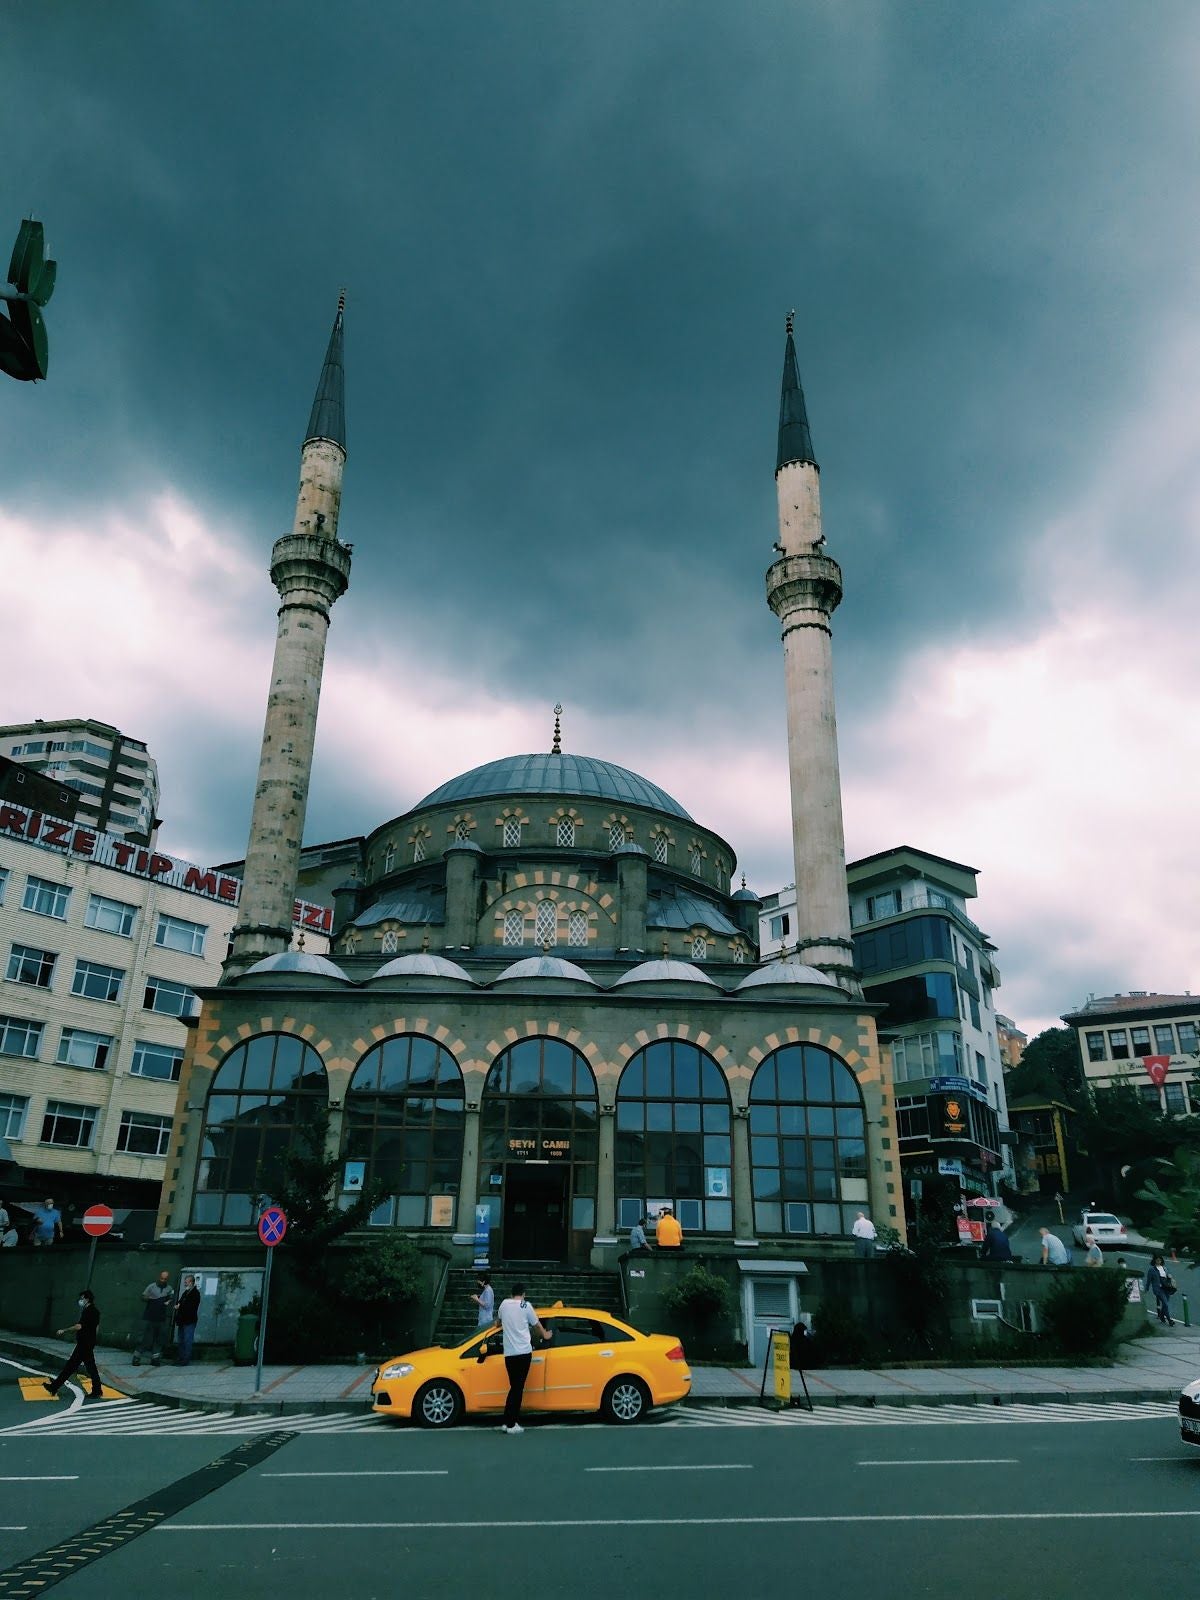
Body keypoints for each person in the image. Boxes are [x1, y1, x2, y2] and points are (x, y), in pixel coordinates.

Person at [497, 1282, 552, 1434]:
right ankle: (511, 1424)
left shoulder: (504, 1304)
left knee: (514, 1387)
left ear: (511, 1293)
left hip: (509, 1354)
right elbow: (537, 1325)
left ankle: (507, 1421)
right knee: (517, 1388)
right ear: (524, 1294)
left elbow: (498, 1322)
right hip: (523, 1353)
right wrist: (546, 1335)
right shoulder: (526, 1306)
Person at [43, 1288, 104, 1400]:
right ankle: (97, 1390)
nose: (80, 1301)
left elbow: (79, 1326)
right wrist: (94, 1340)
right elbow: (97, 1328)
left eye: (81, 1298)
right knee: (88, 1368)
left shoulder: (88, 1311)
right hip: (88, 1343)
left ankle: (54, 1387)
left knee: (71, 1366)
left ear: (87, 1299)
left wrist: (64, 1330)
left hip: (84, 1344)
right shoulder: (95, 1311)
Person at [133, 1270, 175, 1365]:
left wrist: (169, 1301)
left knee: (159, 1339)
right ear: (158, 1277)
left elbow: (171, 1297)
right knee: (145, 1338)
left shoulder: (169, 1288)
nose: (163, 1280)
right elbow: (143, 1296)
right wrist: (150, 1298)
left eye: (165, 1279)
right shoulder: (151, 1286)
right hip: (149, 1316)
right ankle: (136, 1357)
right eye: (161, 1278)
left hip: (161, 1317)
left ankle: (155, 1358)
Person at [174, 1274, 201, 1365]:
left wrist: (180, 1306)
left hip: (189, 1320)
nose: (185, 1284)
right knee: (181, 1340)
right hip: (182, 1320)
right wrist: (179, 1304)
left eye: (186, 1282)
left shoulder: (195, 1294)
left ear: (191, 1282)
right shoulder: (186, 1293)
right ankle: (181, 1357)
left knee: (187, 1340)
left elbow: (190, 1306)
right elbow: (180, 1301)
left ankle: (185, 1359)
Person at [1144, 1253, 1176, 1326]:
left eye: (1160, 1260)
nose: (1159, 1261)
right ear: (1154, 1261)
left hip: (1166, 1288)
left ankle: (1161, 1316)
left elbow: (1168, 1277)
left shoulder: (1165, 1268)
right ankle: (1169, 1320)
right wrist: (1146, 1289)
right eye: (1157, 1260)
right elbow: (1148, 1280)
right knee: (1166, 1304)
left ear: (1161, 1261)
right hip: (1158, 1289)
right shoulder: (1151, 1270)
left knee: (1165, 1305)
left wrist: (1169, 1276)